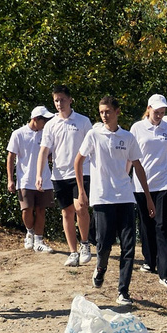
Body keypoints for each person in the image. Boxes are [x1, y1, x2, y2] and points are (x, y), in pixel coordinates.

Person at [75, 95, 151, 308]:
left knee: (129, 246)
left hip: (125, 198)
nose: (104, 115)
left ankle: (123, 291)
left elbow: (138, 166)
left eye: (108, 111)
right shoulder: (93, 135)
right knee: (104, 244)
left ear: (117, 112)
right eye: (101, 112)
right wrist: (82, 191)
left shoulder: (127, 137)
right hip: (102, 198)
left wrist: (147, 197)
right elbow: (78, 162)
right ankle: (100, 268)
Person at [134, 92, 167, 290]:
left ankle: (166, 273)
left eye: (162, 112)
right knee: (146, 224)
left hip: (165, 184)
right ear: (148, 109)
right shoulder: (137, 128)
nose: (159, 116)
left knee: (162, 225)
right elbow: (131, 158)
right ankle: (149, 261)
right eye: (156, 112)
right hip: (142, 184)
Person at [41, 87, 93, 268]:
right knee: (66, 212)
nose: (59, 103)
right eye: (56, 100)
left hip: (82, 171)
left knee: (81, 208)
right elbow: (44, 150)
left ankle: (85, 244)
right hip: (59, 174)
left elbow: (93, 146)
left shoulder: (83, 121)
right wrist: (40, 174)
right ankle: (73, 252)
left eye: (62, 100)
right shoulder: (50, 124)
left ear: (70, 100)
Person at [7, 105, 55, 252]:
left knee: (41, 210)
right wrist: (10, 179)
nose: (46, 123)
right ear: (35, 119)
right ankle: (30, 232)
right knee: (27, 209)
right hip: (25, 179)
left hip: (45, 179)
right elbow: (11, 156)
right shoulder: (18, 134)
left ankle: (39, 240)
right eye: (44, 120)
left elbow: (51, 155)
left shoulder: (47, 134)